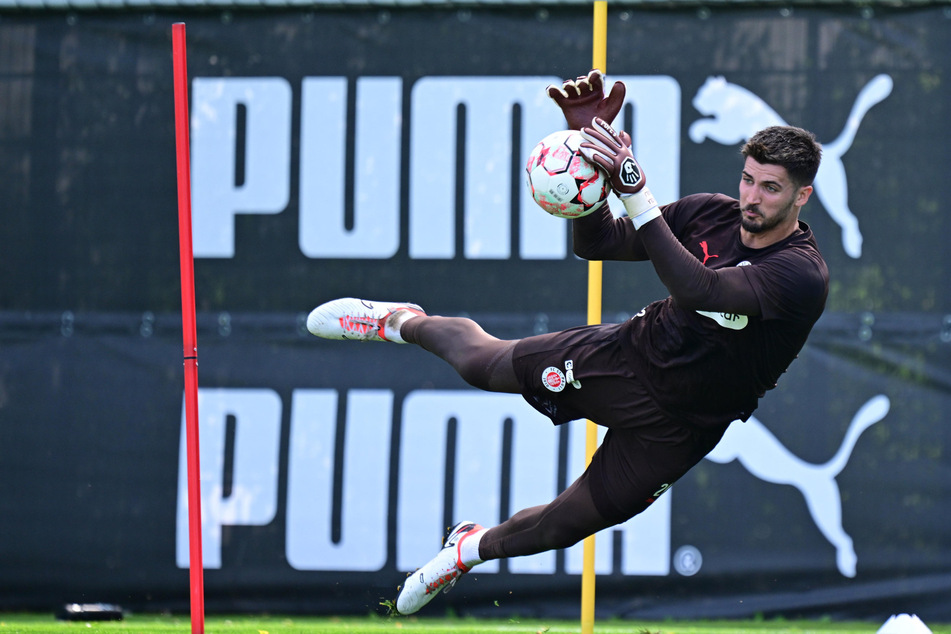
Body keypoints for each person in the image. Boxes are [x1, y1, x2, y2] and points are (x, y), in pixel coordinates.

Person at [305, 70, 829, 616]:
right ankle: (397, 321)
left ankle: (467, 549)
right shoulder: (709, 212)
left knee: (565, 524)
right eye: (748, 179)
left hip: (684, 424)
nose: (752, 197)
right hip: (628, 355)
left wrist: (636, 193)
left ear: (802, 195)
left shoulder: (801, 274)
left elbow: (698, 289)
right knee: (481, 364)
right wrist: (589, 173)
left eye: (770, 188)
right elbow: (600, 241)